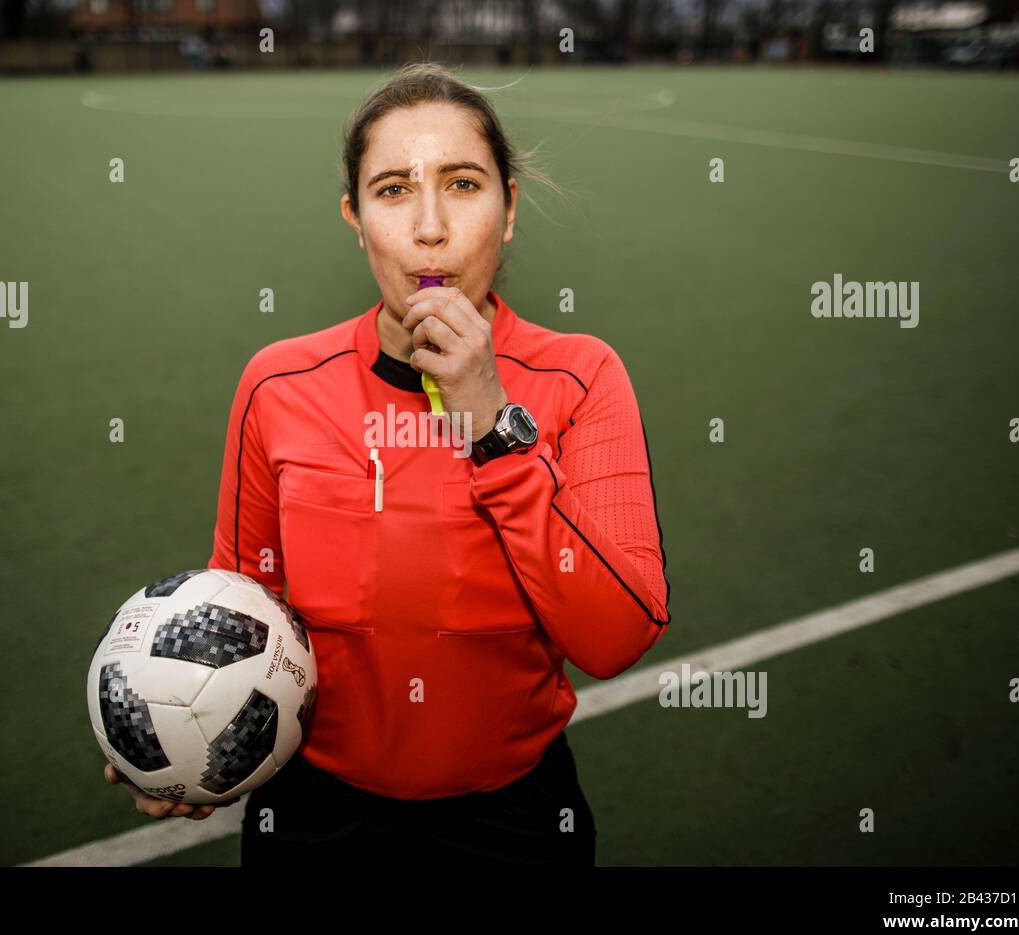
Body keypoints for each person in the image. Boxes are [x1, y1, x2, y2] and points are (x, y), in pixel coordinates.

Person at [106, 61, 671, 864]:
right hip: (313, 817)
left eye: (465, 185)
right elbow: (243, 603)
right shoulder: (279, 383)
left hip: (513, 823)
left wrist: (491, 424)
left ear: (509, 211)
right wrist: (174, 732)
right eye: (395, 189)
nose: (430, 228)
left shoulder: (582, 378)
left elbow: (616, 637)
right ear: (356, 216)